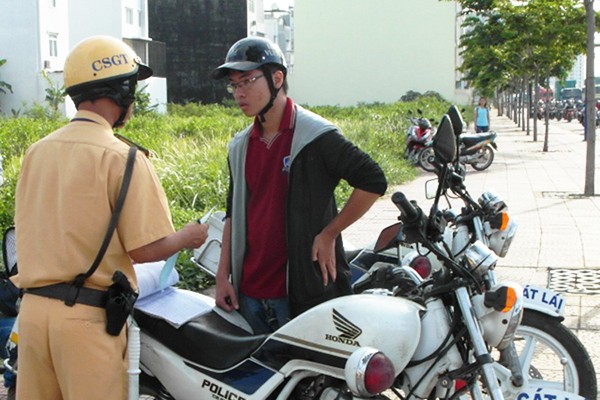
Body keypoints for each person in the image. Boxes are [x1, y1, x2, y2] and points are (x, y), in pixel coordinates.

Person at [13, 35, 209, 400]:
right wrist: (188, 236)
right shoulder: (123, 158)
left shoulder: (35, 153)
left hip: (33, 316)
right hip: (85, 322)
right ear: (121, 92)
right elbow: (147, 249)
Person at [211, 37, 387, 334]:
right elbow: (233, 213)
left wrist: (330, 232)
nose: (239, 93)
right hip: (248, 293)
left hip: (302, 292)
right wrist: (222, 275)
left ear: (277, 78)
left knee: (309, 378)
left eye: (247, 81)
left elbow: (373, 180)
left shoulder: (315, 136)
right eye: (234, 85)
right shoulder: (240, 146)